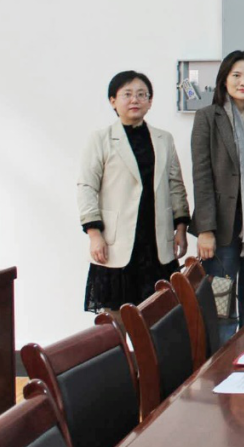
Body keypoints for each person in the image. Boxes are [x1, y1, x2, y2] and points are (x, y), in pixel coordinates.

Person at [78, 71, 190, 312]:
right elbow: (87, 186)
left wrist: (181, 228)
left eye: (141, 94)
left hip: (156, 242)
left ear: (150, 101)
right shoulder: (101, 139)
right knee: (117, 314)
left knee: (161, 312)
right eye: (127, 94)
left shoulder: (164, 139)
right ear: (113, 101)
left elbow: (176, 185)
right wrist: (94, 234)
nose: (134, 100)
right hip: (117, 242)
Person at [190, 50, 244, 340]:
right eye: (236, 75)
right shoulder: (207, 117)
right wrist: (205, 230)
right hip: (220, 228)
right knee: (221, 306)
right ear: (224, 80)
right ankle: (222, 364)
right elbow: (201, 175)